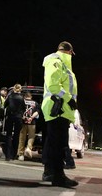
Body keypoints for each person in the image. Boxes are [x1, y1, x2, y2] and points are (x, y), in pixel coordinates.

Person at [41, 41, 78, 187]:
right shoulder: (56, 62)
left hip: (60, 108)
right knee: (58, 144)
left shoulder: (61, 63)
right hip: (57, 108)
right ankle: (58, 176)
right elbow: (53, 84)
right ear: (69, 51)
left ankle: (50, 172)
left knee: (52, 142)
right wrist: (69, 99)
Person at [4, 84, 26, 161]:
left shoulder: (10, 96)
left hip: (10, 117)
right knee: (16, 136)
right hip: (18, 118)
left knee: (8, 135)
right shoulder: (21, 98)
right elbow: (24, 108)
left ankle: (7, 155)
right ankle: (13, 155)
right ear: (20, 89)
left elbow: (5, 105)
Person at [17, 92, 39, 161]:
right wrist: (31, 118)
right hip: (32, 123)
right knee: (31, 137)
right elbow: (37, 112)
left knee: (22, 138)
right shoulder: (35, 103)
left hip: (23, 122)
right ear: (31, 96)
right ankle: (28, 148)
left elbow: (19, 111)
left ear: (24, 97)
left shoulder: (22, 102)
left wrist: (24, 117)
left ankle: (21, 154)